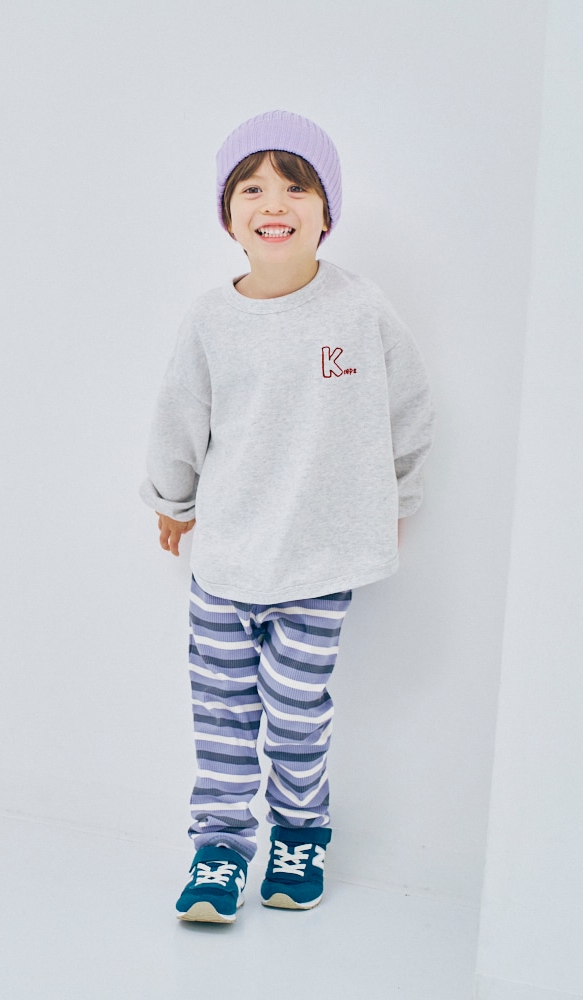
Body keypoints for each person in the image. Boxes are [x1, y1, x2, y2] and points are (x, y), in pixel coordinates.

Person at [140, 110, 434, 923]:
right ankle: (219, 849)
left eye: (296, 187)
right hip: (226, 562)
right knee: (223, 719)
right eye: (252, 189)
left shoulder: (360, 310)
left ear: (326, 211)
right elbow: (179, 418)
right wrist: (172, 503)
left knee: (298, 714)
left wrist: (399, 498)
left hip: (316, 563)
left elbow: (409, 407)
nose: (274, 203)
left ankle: (301, 834)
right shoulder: (209, 320)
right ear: (228, 215)